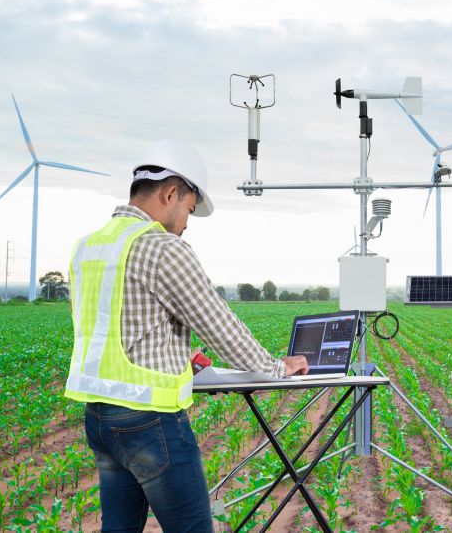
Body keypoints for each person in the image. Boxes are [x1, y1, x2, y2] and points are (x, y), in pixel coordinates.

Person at [64, 139, 309, 532]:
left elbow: (113, 326)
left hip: (99, 418)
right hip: (150, 421)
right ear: (171, 193)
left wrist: (180, 357)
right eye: (190, 209)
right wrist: (276, 367)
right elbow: (221, 327)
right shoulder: (162, 247)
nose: (187, 222)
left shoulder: (88, 247)